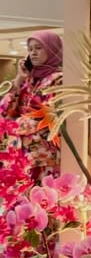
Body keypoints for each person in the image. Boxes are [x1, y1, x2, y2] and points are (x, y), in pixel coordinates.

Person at [0, 31, 63, 180]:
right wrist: (18, 80)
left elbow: (48, 116)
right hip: (22, 156)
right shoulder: (28, 81)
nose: (33, 53)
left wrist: (12, 127)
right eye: (30, 49)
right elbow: (4, 111)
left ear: (52, 49)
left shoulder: (59, 80)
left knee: (45, 192)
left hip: (44, 156)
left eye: (38, 48)